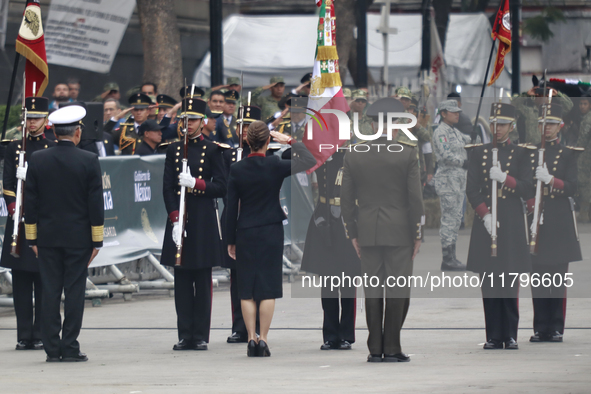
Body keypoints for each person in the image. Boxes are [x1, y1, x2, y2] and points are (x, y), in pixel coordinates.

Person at [341, 97, 424, 363]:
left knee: (373, 290)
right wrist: (417, 233)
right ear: (395, 124)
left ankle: (375, 349)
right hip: (399, 231)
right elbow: (416, 200)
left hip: (367, 230)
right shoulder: (408, 153)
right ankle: (393, 347)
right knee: (398, 289)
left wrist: (352, 232)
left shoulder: (354, 153)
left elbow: (346, 200)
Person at [226, 121, 315, 357]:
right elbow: (309, 161)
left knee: (246, 289)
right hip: (271, 230)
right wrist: (291, 141)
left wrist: (229, 239)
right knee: (267, 288)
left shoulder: (237, 169)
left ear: (246, 141)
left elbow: (230, 207)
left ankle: (250, 338)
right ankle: (263, 338)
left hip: (245, 230)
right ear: (268, 141)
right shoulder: (275, 164)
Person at [24, 104, 104, 362]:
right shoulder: (89, 160)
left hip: (47, 238)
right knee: (74, 292)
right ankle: (70, 346)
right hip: (79, 238)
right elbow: (95, 203)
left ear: (54, 132)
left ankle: (51, 348)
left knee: (48, 292)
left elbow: (30, 202)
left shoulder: (37, 159)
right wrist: (97, 240)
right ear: (78, 133)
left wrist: (32, 238)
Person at [160, 95, 227, 351]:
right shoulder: (173, 149)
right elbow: (166, 188)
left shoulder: (212, 149)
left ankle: (200, 335)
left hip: (202, 219)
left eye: (193, 120)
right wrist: (175, 218)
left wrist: (197, 184)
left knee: (202, 277)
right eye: (184, 119)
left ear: (203, 122)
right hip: (180, 219)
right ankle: (184, 333)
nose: (187, 124)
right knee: (182, 280)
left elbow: (221, 186)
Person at [466, 102, 533, 350]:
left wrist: (507, 179)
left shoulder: (522, 153)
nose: (498, 129)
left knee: (509, 277)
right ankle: (494, 334)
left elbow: (528, 187)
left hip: (511, 222)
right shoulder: (478, 152)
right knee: (489, 279)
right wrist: (484, 215)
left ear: (512, 126)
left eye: (503, 124)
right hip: (487, 223)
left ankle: (511, 334)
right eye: (494, 124)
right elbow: (471, 188)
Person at [1, 96, 54, 352]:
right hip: (19, 224)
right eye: (28, 118)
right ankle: (24, 335)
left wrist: (31, 174)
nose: (31, 123)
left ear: (46, 119)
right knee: (21, 281)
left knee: (44, 280)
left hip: (42, 221)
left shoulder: (51, 146)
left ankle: (41, 332)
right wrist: (15, 209)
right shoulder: (15, 147)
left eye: (36, 118)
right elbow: (7, 185)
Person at [528, 103, 582, 343]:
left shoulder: (569, 153)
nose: (546, 128)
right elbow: (523, 185)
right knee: (538, 277)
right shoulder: (530, 153)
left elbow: (572, 187)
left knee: (557, 277)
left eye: (550, 124)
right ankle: (540, 327)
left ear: (559, 126)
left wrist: (551, 180)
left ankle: (556, 327)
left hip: (559, 220)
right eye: (543, 124)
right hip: (537, 220)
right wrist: (532, 204)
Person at [300, 146, 361, 351]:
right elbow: (303, 158)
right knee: (327, 282)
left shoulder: (353, 156)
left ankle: (346, 335)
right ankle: (330, 334)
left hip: (347, 219)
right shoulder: (320, 156)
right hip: (324, 218)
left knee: (347, 282)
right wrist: (292, 141)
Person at [220, 105, 267, 344]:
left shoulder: (268, 155)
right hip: (235, 220)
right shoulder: (228, 155)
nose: (245, 131)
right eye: (242, 126)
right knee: (237, 277)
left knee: (259, 277)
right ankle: (240, 326)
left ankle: (258, 325)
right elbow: (224, 189)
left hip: (258, 222)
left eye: (250, 127)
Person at [432, 100, 470, 271]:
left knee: (455, 218)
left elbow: (468, 142)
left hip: (458, 181)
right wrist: (463, 162)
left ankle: (452, 256)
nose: (457, 114)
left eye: (458, 112)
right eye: (453, 112)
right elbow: (446, 155)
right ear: (443, 113)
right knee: (448, 219)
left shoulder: (455, 131)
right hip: (448, 181)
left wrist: (473, 134)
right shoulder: (441, 132)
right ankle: (447, 258)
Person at [576, 94, 591, 222]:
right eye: (581, 104)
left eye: (585, 104)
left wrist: (577, 152)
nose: (582, 106)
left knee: (585, 183)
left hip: (586, 157)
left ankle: (584, 213)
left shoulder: (587, 119)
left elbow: (583, 139)